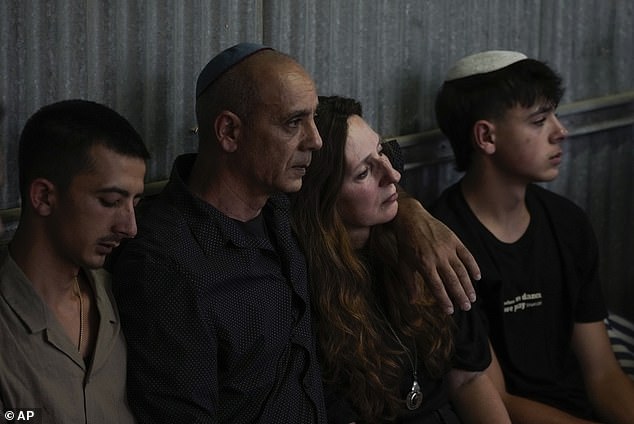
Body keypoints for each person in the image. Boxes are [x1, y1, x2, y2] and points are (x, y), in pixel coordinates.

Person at [110, 42, 482, 423]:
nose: (315, 140)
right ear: (229, 131)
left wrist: (413, 216)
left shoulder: (279, 205)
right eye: (293, 123)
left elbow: (376, 171)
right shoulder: (167, 264)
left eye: (313, 119)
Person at [430, 50, 634, 423]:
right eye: (539, 121)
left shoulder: (567, 223)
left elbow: (603, 376)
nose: (560, 131)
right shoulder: (447, 245)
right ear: (486, 136)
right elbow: (497, 401)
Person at [291, 95, 510, 423]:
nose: (392, 174)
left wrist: (412, 210)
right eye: (365, 172)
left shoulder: (418, 247)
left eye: (382, 152)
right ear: (324, 197)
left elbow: (469, 379)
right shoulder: (303, 290)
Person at [0, 99, 149, 423]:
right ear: (43, 197)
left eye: (135, 203)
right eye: (110, 201)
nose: (129, 227)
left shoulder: (122, 296)